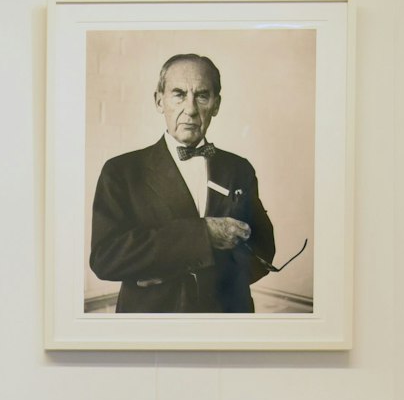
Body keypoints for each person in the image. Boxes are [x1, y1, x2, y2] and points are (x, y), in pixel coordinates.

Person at [88, 53, 277, 313]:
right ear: (159, 101)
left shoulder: (239, 168)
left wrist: (166, 267)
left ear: (216, 104)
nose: (190, 109)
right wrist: (205, 234)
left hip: (226, 318)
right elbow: (105, 258)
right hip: (152, 321)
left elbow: (263, 251)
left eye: (202, 95)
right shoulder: (121, 170)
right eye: (178, 94)